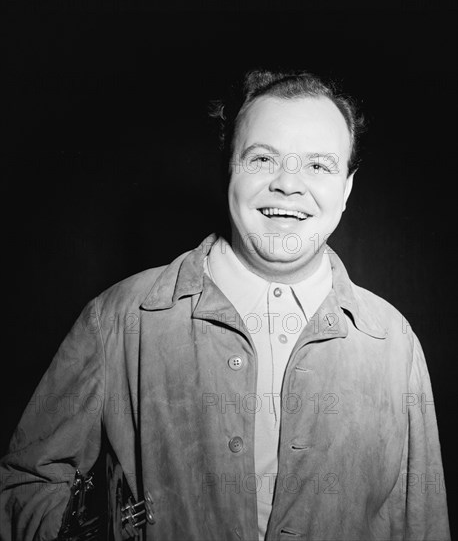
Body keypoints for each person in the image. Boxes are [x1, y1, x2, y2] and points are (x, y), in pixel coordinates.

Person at [0, 69, 450, 541]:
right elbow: (23, 486)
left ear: (347, 188)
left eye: (318, 165)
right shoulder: (118, 317)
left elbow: (422, 519)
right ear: (227, 169)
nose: (288, 184)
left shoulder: (394, 342)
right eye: (262, 159)